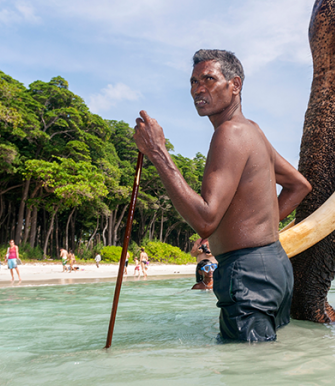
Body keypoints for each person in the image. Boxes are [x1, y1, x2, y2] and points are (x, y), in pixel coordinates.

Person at [133, 49, 311, 342]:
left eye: (208, 79)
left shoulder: (229, 133)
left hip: (247, 272)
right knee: (262, 366)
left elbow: (205, 221)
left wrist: (157, 151)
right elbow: (299, 185)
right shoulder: (251, 130)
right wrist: (256, 227)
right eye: (192, 82)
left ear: (235, 85)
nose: (197, 89)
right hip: (275, 267)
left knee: (247, 369)